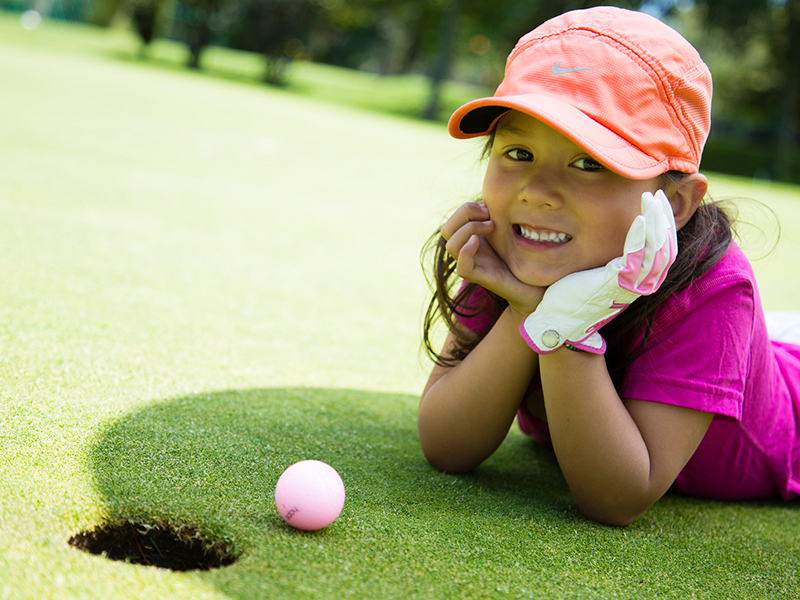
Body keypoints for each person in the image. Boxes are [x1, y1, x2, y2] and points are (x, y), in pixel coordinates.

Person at [418, 6, 800, 527]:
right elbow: (447, 446)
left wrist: (564, 326)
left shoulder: (716, 286)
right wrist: (528, 309)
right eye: (519, 153)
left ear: (678, 202)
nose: (538, 193)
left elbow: (618, 497)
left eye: (589, 164)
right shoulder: (512, 248)